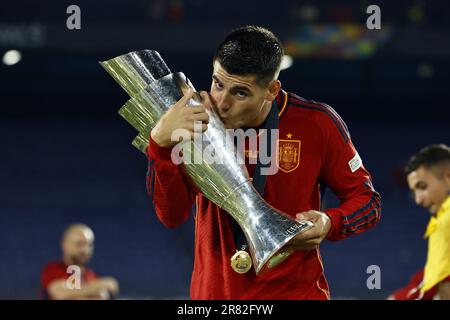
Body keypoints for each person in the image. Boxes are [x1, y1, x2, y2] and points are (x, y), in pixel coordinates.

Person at [147, 25, 381, 299]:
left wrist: (330, 223)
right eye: (218, 83)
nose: (221, 103)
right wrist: (160, 146)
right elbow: (172, 216)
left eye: (240, 93)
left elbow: (368, 202)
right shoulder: (194, 124)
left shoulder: (317, 124)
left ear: (271, 90)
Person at [389, 144, 450, 300]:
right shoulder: (441, 218)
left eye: (422, 187)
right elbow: (434, 275)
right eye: (414, 191)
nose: (418, 199)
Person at [40, 223, 119, 300]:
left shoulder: (92, 276)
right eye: (79, 244)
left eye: (89, 244)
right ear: (64, 245)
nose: (85, 250)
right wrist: (103, 285)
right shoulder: (52, 270)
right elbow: (60, 293)